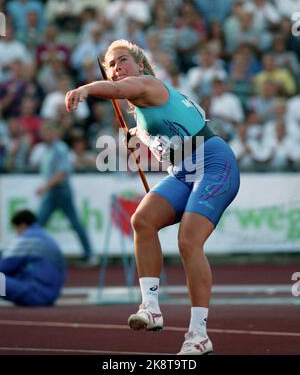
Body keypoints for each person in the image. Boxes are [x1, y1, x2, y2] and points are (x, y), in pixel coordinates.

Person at [65, 39, 240, 355]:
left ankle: (199, 335)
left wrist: (86, 90)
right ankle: (151, 307)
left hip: (213, 162)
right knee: (142, 220)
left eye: (122, 62)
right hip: (184, 170)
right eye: (112, 66)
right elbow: (168, 142)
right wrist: (136, 140)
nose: (117, 70)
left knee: (188, 241)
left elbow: (119, 90)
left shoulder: (147, 84)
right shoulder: (141, 113)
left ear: (140, 65)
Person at [35, 120, 97, 266]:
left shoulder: (59, 149)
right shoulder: (49, 149)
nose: (45, 134)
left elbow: (62, 173)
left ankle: (90, 254)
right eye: (43, 132)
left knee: (39, 224)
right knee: (70, 223)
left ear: (54, 133)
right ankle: (90, 254)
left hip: (60, 191)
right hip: (55, 191)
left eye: (48, 131)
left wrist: (45, 187)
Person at [0, 209, 65, 306]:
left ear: (22, 225)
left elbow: (4, 266)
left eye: (16, 229)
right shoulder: (46, 237)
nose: (16, 233)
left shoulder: (26, 239)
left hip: (36, 294)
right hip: (51, 295)